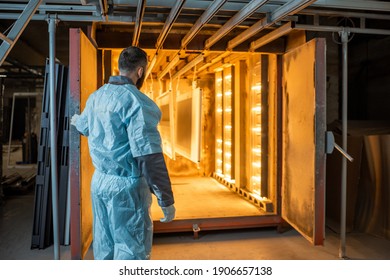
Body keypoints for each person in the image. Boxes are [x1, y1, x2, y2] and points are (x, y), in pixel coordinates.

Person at [70, 46, 175, 260]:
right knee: (130, 251)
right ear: (139, 72)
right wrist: (166, 200)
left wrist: (76, 120)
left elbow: (83, 127)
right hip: (127, 189)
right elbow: (149, 157)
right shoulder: (138, 103)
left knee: (105, 245)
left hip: (100, 184)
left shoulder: (96, 97)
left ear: (119, 68)